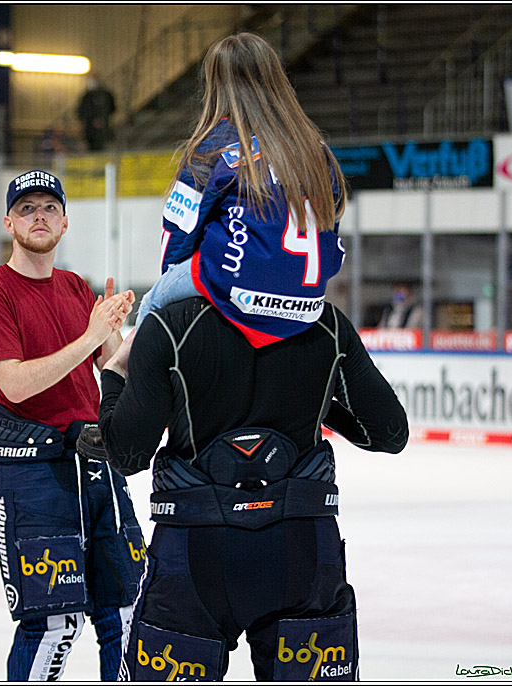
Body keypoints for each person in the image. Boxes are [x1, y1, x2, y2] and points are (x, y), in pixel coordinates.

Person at [85, 33, 410, 681]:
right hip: (305, 550)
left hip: (195, 555)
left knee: (154, 303)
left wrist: (117, 369)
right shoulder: (312, 154)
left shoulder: (209, 151)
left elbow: (177, 240)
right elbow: (389, 433)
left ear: (215, 85)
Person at [0, 169, 146, 681]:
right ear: (9, 223)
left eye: (49, 208)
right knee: (53, 626)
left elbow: (110, 366)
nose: (38, 217)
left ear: (65, 222)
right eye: (26, 209)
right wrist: (90, 336)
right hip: (33, 475)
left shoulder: (75, 287)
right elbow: (15, 385)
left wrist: (123, 331)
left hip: (97, 467)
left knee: (126, 613)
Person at [133, 29, 348, 335]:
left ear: (216, 85)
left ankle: (126, 368)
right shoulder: (316, 148)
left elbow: (178, 233)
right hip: (306, 301)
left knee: (151, 303)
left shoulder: (215, 145)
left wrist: (173, 284)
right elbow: (331, 216)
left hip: (238, 292)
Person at [76, 75, 116, 152]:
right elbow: (82, 111)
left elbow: (112, 108)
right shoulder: (86, 96)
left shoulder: (105, 94)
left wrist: (102, 119)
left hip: (102, 130)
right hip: (90, 130)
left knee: (102, 147)